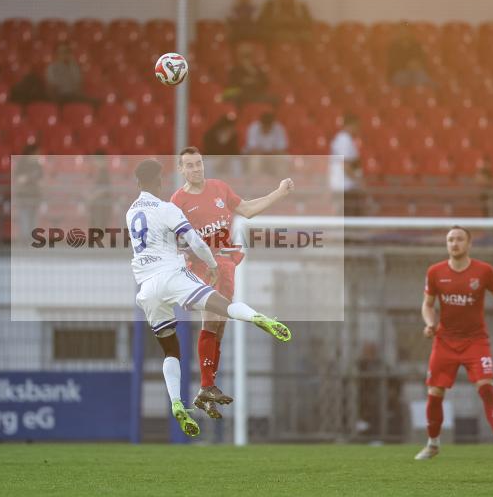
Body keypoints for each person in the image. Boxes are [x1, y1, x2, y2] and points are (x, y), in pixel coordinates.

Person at [127, 159, 291, 437]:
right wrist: (212, 266)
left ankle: (177, 402)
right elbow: (196, 242)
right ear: (160, 181)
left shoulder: (130, 213)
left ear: (137, 183)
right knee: (221, 307)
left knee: (171, 351)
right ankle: (258, 318)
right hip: (173, 276)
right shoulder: (168, 208)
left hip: (146, 287)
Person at [171, 147, 295, 418]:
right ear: (181, 170)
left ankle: (208, 388)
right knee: (210, 319)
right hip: (203, 267)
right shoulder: (178, 201)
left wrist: (278, 193)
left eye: (199, 163)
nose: (196, 169)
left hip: (226, 263)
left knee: (218, 326)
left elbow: (247, 210)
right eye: (189, 165)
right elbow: (172, 238)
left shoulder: (219, 188)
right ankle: (206, 385)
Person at [415, 226, 493, 461]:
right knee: (434, 393)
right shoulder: (435, 272)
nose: (454, 243)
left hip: (475, 341)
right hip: (445, 341)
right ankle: (433, 444)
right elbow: (427, 304)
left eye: (460, 239)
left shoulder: (484, 271)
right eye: (450, 239)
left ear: (469, 244)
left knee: (486, 388)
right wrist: (430, 323)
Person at [330, 114, 364, 216]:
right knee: (347, 216)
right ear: (351, 125)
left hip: (345, 186)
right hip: (343, 186)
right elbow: (345, 165)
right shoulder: (344, 140)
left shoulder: (345, 139)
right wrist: (357, 180)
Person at [225, 43, 274, 107]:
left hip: (257, 95)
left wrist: (251, 70)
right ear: (238, 56)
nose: (246, 59)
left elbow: (265, 83)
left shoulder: (258, 70)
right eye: (243, 56)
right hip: (242, 97)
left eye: (248, 55)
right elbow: (232, 88)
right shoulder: (234, 71)